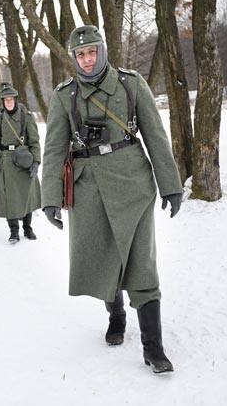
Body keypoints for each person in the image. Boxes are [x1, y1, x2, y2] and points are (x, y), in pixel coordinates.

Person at [41, 25, 183, 374]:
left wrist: (171, 185)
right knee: (104, 257)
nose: (87, 61)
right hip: (88, 190)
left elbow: (155, 135)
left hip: (133, 185)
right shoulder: (64, 96)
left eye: (92, 52)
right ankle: (116, 316)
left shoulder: (131, 83)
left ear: (102, 51)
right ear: (74, 58)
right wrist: (50, 199)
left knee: (142, 263)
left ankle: (154, 348)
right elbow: (55, 149)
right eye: (80, 55)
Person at [0, 82, 42, 243]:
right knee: (10, 198)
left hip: (24, 159)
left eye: (11, 99)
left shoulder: (27, 116)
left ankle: (27, 228)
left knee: (27, 196)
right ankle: (14, 231)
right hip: (6, 161)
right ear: (2, 102)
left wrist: (36, 162)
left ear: (16, 100)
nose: (9, 102)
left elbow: (35, 142)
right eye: (6, 100)